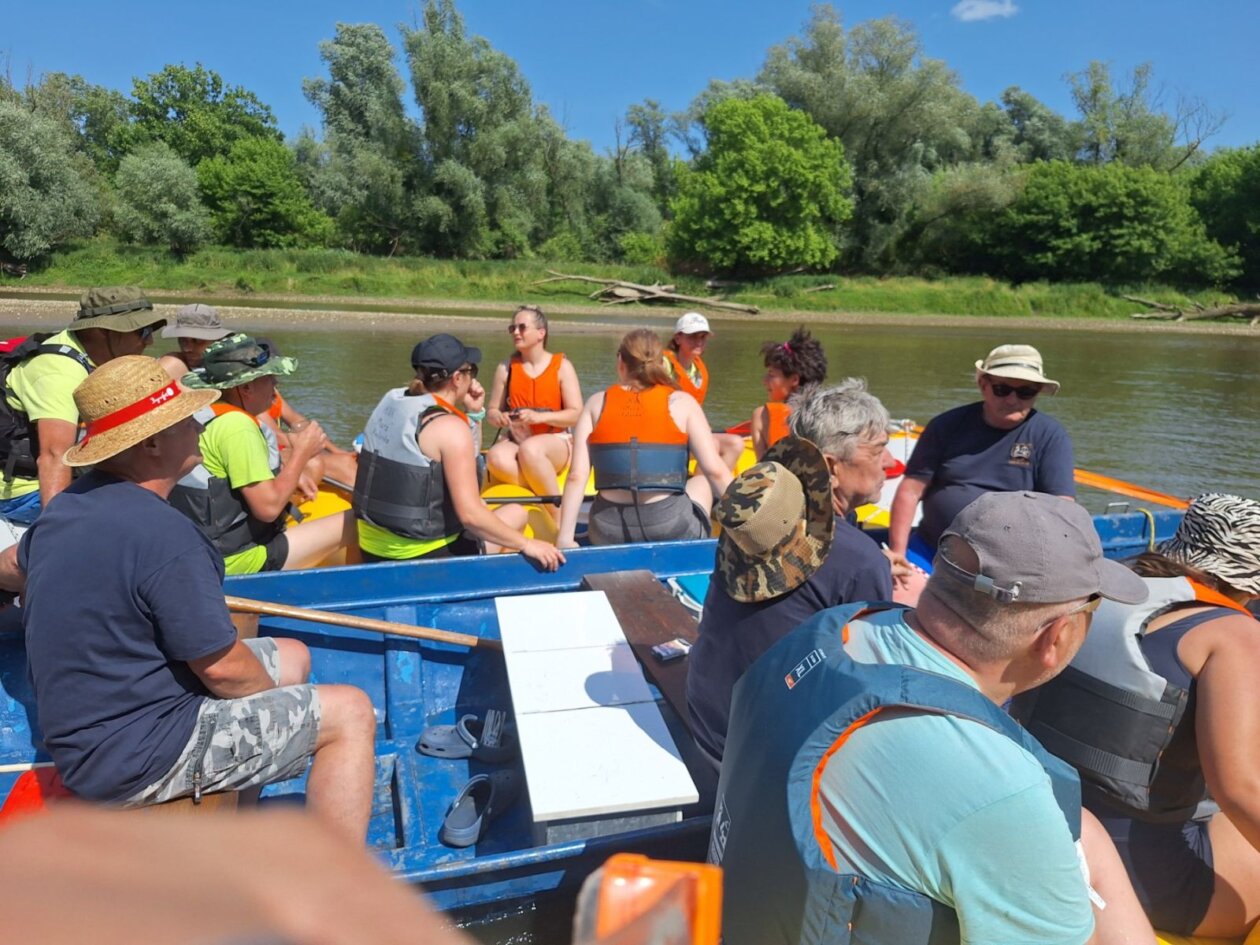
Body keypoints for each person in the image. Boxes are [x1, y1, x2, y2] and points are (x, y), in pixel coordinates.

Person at [712, 490, 1155, 945]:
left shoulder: (837, 631)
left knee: (1085, 833)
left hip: (736, 917)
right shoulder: (1000, 787)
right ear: (1056, 637)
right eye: (1090, 610)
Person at [8, 356, 376, 842]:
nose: (200, 426)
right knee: (349, 711)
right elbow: (222, 670)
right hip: (139, 756)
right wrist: (283, 702)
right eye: (186, 419)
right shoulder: (167, 536)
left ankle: (234, 826)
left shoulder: (66, 509)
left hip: (92, 735)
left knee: (293, 656)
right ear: (154, 443)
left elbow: (14, 564)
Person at [1018, 493, 1260, 939]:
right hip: (1144, 877)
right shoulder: (1234, 635)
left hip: (1046, 831)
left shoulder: (1106, 587)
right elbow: (1238, 788)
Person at [687, 381, 910, 763]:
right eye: (877, 450)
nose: (889, 462)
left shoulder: (758, 519)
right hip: (758, 755)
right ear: (829, 467)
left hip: (706, 714)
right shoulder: (858, 561)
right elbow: (870, 681)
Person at [353, 333, 565, 570]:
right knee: (516, 513)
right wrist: (527, 543)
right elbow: (470, 516)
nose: (473, 376)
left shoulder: (392, 401)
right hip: (421, 557)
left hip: (371, 547)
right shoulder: (450, 427)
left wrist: (473, 414)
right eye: (471, 370)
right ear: (457, 378)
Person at [170, 334, 356, 575]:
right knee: (356, 520)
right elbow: (268, 509)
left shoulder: (203, 414)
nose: (276, 384)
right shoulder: (237, 426)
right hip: (236, 560)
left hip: (201, 551)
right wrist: (302, 452)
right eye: (269, 378)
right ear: (245, 387)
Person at [889, 343, 1075, 568]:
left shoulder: (1050, 436)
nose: (1012, 399)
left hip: (1009, 562)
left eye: (1025, 392)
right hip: (931, 551)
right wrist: (897, 555)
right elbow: (910, 491)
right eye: (1002, 389)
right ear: (983, 385)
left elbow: (1061, 508)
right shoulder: (945, 426)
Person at [1, 286, 165, 528]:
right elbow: (54, 456)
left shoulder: (91, 354)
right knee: (133, 523)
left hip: (70, 475)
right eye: (142, 331)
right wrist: (58, 533)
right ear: (101, 331)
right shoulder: (59, 372)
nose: (149, 340)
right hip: (24, 492)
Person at [556, 329, 732, 548]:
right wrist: (749, 526)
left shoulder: (595, 403)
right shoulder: (682, 402)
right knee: (702, 480)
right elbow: (715, 471)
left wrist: (564, 538)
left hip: (607, 529)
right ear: (661, 362)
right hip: (669, 527)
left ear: (621, 361)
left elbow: (576, 476)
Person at [484, 305, 582, 514]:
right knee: (495, 457)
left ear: (541, 333)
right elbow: (491, 411)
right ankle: (538, 497)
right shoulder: (505, 368)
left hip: (556, 441)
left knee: (531, 449)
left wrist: (540, 417)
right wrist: (498, 417)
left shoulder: (562, 366)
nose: (516, 333)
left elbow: (576, 414)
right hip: (516, 439)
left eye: (521, 327)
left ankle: (557, 516)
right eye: (512, 328)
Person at [662, 312, 744, 469]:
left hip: (688, 436)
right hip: (664, 438)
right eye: (692, 337)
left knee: (736, 443)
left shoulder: (697, 369)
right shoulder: (664, 364)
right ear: (678, 338)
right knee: (711, 445)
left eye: (702, 337)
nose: (699, 342)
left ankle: (708, 489)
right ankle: (699, 487)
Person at [748, 326, 827, 460]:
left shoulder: (762, 416)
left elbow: (764, 470)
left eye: (771, 374)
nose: (764, 381)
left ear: (794, 379)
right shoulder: (833, 411)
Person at [158, 302, 232, 380]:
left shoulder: (232, 371)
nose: (187, 349)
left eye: (197, 340)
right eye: (183, 340)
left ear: (217, 341)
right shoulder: (171, 364)